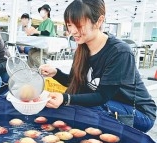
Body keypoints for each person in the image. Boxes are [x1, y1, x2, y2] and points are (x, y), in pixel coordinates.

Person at [39, 0, 156, 133]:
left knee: (84, 107)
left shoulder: (119, 52)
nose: (73, 31)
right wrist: (55, 73)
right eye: (70, 25)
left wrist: (66, 99)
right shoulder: (82, 49)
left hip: (137, 113)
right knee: (76, 103)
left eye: (79, 25)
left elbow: (102, 96)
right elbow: (75, 82)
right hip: (107, 104)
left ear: (99, 21)